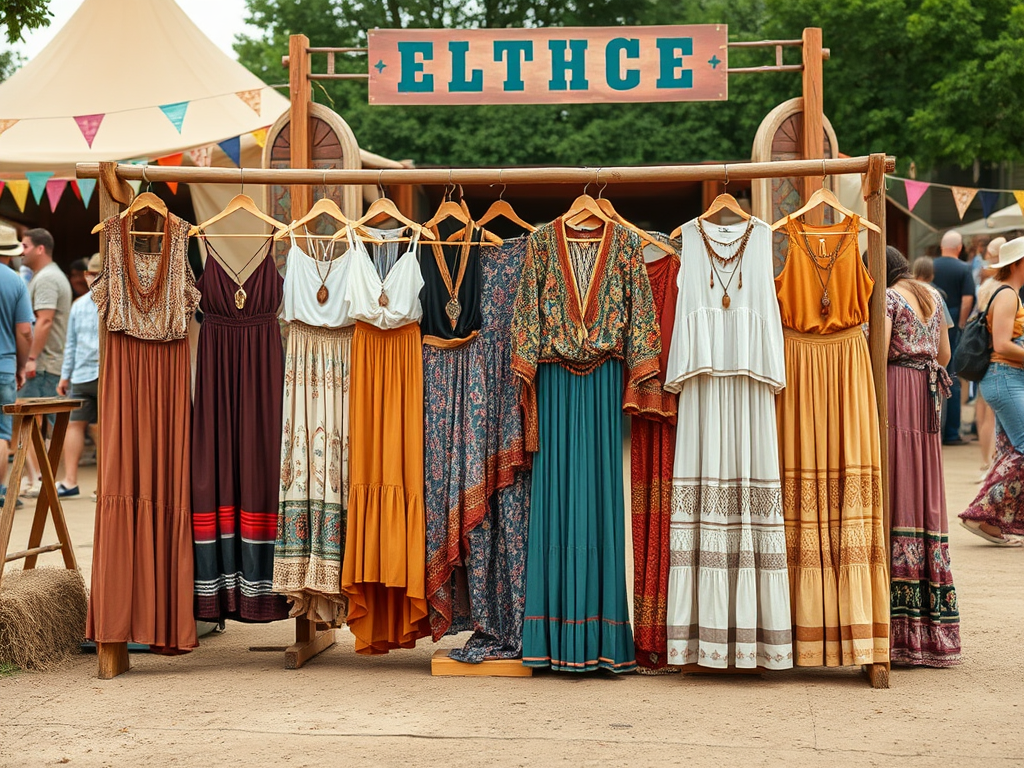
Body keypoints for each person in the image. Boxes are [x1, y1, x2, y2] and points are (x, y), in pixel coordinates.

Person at [884, 246, 961, 665]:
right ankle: (935, 631)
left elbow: (876, 354)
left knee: (901, 488)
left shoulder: (889, 300)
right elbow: (946, 356)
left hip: (898, 394)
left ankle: (901, 632)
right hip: (928, 398)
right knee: (925, 491)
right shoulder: (933, 296)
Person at [960, 236, 1024, 546]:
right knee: (1021, 450)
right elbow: (1001, 345)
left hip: (1005, 379)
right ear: (1018, 264)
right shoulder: (1009, 295)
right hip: (1005, 377)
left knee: (1010, 452)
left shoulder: (1009, 293)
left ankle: (989, 521)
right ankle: (980, 513)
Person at [19, 228, 72, 496]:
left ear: (40, 249)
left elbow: (45, 320)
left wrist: (30, 358)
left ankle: (39, 479)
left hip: (43, 364)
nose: (21, 250)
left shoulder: (48, 278)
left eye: (25, 246)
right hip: (49, 362)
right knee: (46, 423)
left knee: (30, 421)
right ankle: (41, 479)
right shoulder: (49, 275)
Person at [55, 253, 100, 498]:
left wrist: (65, 376)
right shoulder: (116, 301)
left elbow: (70, 344)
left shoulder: (78, 304)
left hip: (81, 374)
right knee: (103, 428)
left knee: (76, 425)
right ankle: (102, 485)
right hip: (103, 374)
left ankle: (70, 481)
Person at [931, 230, 975, 445]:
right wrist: (961, 323)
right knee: (952, 378)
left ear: (941, 246)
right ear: (959, 248)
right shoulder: (964, 269)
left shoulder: (931, 266)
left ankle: (935, 431)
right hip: (953, 328)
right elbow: (968, 299)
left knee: (933, 377)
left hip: (931, 328)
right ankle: (951, 433)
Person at [0, 233, 34, 507]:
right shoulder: (15, 282)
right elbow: (24, 332)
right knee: (1, 433)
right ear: (10, 253)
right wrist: (21, 366)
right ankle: (1, 490)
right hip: (4, 364)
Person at [974, 237, 1007, 479]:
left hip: (981, 349)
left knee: (983, 406)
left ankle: (986, 460)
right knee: (993, 410)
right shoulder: (1004, 288)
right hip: (997, 351)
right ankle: (993, 459)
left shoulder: (986, 286)